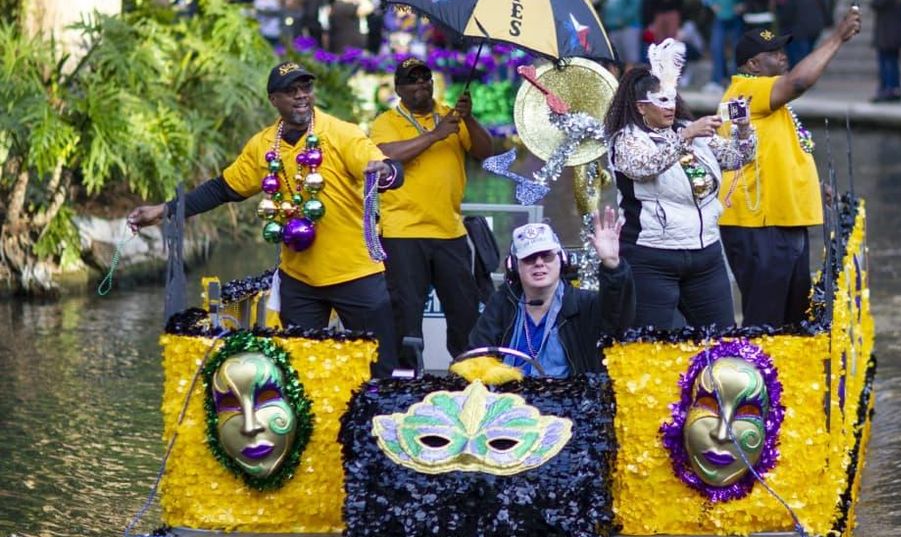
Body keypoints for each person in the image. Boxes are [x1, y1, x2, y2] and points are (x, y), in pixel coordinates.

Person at [126, 62, 405, 377]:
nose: (301, 96)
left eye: (306, 88)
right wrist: (164, 210)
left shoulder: (342, 134)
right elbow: (222, 189)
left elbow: (384, 167)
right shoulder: (263, 145)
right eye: (291, 91)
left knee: (380, 368)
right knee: (301, 373)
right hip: (300, 281)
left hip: (357, 275)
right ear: (274, 100)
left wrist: (386, 171)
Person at [718, 9, 861, 327]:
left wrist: (814, 185)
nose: (782, 56)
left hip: (782, 222)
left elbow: (778, 152)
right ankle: (758, 375)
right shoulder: (745, 90)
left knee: (793, 316)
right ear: (753, 65)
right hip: (760, 226)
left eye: (783, 50)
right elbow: (798, 81)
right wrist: (836, 37)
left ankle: (787, 374)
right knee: (766, 321)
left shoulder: (770, 102)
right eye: (773, 52)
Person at [604, 40, 756, 330]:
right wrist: (685, 135)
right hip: (651, 256)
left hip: (706, 252)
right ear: (641, 107)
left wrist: (744, 128)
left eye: (672, 98)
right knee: (655, 346)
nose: (670, 106)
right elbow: (643, 167)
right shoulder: (626, 139)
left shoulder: (690, 132)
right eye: (661, 101)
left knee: (722, 338)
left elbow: (738, 157)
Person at [370, 58, 494, 365]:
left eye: (425, 77)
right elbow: (384, 155)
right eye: (413, 80)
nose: (421, 84)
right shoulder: (386, 121)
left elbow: (485, 151)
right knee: (405, 315)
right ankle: (405, 382)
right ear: (399, 89)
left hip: (450, 231)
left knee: (464, 311)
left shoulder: (450, 116)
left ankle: (468, 377)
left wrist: (470, 118)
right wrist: (434, 136)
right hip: (403, 233)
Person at [467, 210, 635, 377]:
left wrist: (612, 265)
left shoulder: (584, 304)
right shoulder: (502, 302)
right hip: (509, 400)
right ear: (514, 266)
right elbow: (476, 355)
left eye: (546, 256)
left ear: (562, 260)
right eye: (529, 258)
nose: (539, 263)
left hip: (568, 400)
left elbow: (618, 318)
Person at [706, 0, 750, 92]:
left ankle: (734, 80)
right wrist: (712, 3)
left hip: (736, 16)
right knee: (716, 46)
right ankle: (717, 80)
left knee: (737, 48)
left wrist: (744, 4)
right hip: (720, 15)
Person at [779, 0, 831, 68]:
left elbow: (787, 13)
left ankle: (800, 77)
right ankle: (807, 74)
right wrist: (828, 23)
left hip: (800, 30)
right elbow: (825, 8)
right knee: (808, 54)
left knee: (799, 58)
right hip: (815, 29)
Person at [602, 0, 644, 65]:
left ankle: (628, 81)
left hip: (628, 27)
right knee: (614, 60)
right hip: (613, 28)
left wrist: (622, 20)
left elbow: (634, 7)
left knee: (630, 60)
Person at [870, 0, 901, 102]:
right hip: (892, 33)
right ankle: (893, 88)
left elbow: (875, 4)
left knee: (887, 62)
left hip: (887, 34)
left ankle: (888, 89)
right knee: (892, 61)